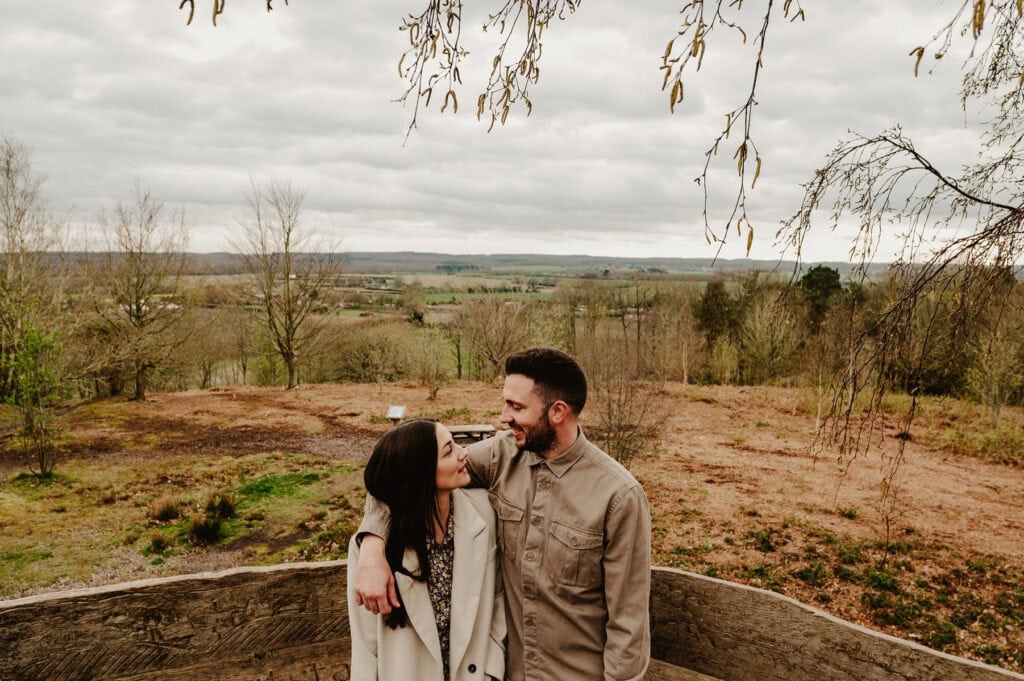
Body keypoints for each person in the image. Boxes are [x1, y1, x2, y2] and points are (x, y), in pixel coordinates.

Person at [355, 348, 651, 681]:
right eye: (505, 402)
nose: (503, 417)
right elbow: (406, 468)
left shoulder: (618, 496)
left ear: (557, 411)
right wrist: (371, 544)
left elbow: (628, 625)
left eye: (516, 406)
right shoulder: (502, 455)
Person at [347, 419, 506, 681]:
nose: (463, 452)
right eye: (449, 451)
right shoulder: (372, 547)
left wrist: (493, 669)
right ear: (419, 473)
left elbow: (497, 598)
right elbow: (365, 646)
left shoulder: (484, 515)